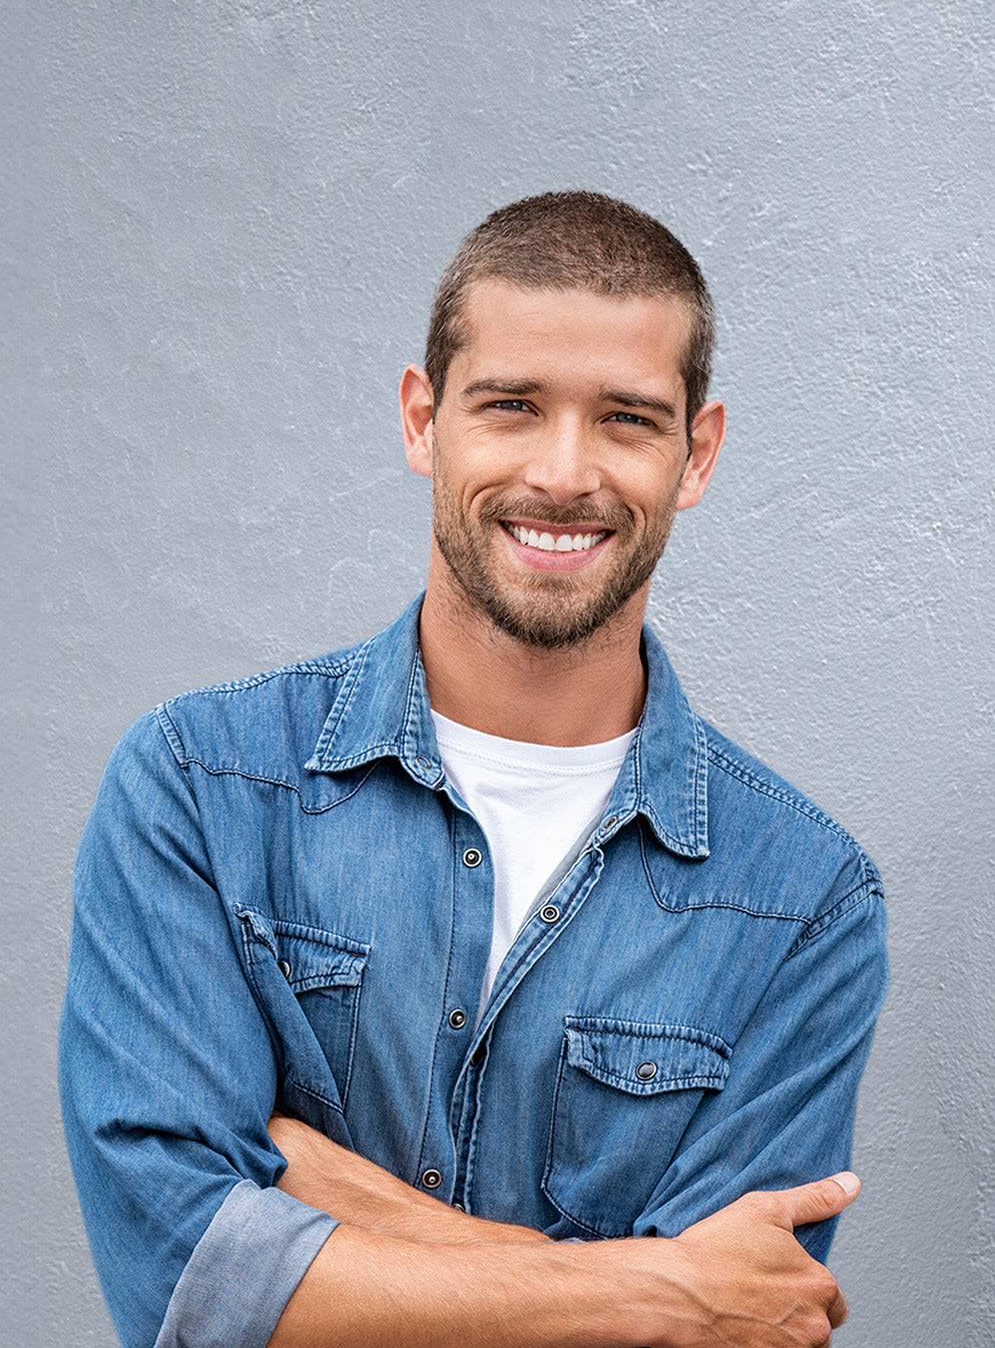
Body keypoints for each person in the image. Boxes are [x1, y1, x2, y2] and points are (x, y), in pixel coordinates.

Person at [60, 191, 888, 1348]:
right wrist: (653, 1286)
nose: (563, 472)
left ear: (694, 455)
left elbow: (737, 1330)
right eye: (510, 406)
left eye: (626, 421)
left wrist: (308, 1181)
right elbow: (182, 1280)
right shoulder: (199, 786)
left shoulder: (802, 898)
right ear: (421, 420)